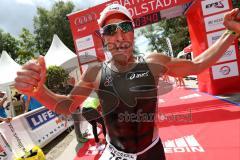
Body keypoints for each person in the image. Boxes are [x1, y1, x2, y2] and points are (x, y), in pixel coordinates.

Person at [14, 4, 240, 160]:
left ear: (133, 33)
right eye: (111, 30)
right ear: (103, 37)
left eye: (126, 28)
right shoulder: (94, 72)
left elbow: (198, 63)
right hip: (117, 154)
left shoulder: (152, 62)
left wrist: (229, 34)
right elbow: (68, 105)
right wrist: (38, 91)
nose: (119, 36)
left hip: (152, 150)